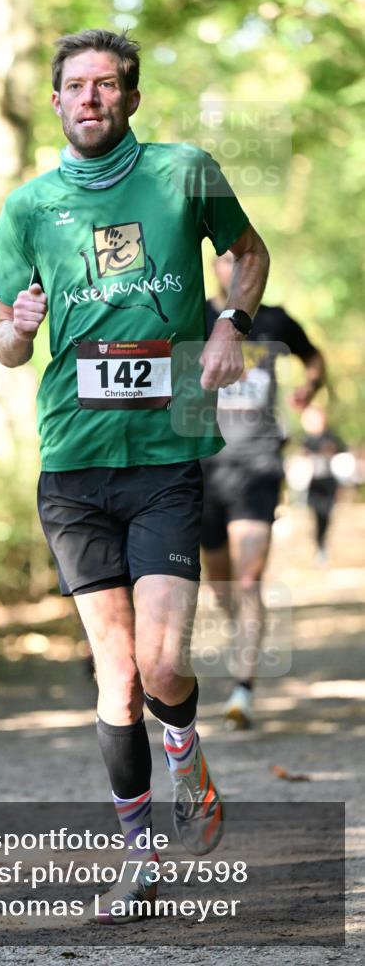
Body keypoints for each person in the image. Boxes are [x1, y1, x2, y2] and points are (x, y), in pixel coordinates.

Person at [0, 29, 269, 923]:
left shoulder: (184, 171)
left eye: (108, 85)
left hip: (165, 455)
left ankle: (185, 749)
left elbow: (248, 254)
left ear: (131, 98)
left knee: (161, 661)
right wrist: (20, 328)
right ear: (58, 101)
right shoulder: (27, 206)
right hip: (70, 462)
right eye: (75, 86)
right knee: (113, 676)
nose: (91, 98)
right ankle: (139, 852)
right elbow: (0, 344)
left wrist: (229, 322)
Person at [200, 251, 326, 730]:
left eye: (242, 260)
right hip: (204, 468)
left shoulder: (275, 322)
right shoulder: (195, 315)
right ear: (215, 268)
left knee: (248, 580)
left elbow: (315, 359)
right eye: (226, 260)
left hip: (257, 464)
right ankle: (243, 632)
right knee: (223, 585)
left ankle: (242, 689)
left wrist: (309, 387)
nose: (235, 269)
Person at [301, 405, 344, 563]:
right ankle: (319, 545)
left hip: (329, 484)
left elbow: (342, 457)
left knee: (326, 515)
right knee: (316, 515)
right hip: (314, 484)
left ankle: (322, 545)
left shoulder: (331, 436)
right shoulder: (308, 439)